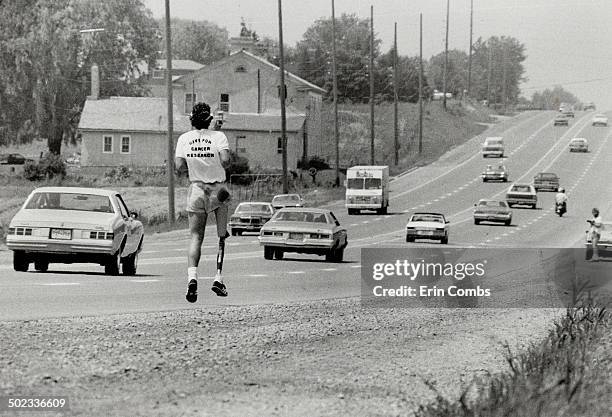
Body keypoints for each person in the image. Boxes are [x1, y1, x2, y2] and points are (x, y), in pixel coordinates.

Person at [175, 102, 231, 302]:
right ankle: (218, 277)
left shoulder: (184, 139)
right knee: (221, 236)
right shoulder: (218, 137)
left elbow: (179, 166)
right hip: (219, 189)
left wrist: (195, 165)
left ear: (191, 119)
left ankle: (192, 279)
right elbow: (225, 161)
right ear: (209, 120)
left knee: (195, 237)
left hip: (197, 188)